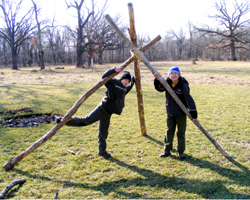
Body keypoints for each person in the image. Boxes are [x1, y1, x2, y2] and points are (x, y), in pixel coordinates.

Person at [58, 66, 135, 159]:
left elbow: (130, 87)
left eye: (128, 81)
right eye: (125, 79)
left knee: (103, 132)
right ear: (121, 78)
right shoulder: (113, 82)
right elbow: (104, 77)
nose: (126, 82)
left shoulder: (125, 89)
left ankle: (102, 151)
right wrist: (114, 70)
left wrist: (134, 80)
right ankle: (64, 120)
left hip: (108, 113)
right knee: (86, 121)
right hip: (102, 108)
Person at [153, 66, 199, 159]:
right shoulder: (167, 83)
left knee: (181, 132)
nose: (173, 75)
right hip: (170, 111)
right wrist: (157, 80)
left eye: (175, 73)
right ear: (169, 75)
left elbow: (189, 99)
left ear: (179, 75)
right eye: (171, 73)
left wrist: (194, 114)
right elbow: (160, 89)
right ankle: (167, 150)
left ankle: (180, 151)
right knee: (169, 131)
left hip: (181, 113)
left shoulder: (183, 85)